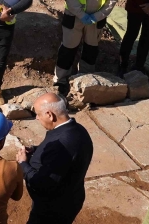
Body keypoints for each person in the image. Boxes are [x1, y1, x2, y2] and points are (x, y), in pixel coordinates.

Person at [17, 93, 93, 224]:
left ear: (49, 115)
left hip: (52, 211)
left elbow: (43, 184)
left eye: (38, 114)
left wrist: (23, 164)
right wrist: (36, 149)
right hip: (73, 197)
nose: (36, 118)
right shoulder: (78, 130)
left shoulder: (60, 146)